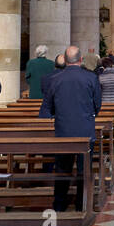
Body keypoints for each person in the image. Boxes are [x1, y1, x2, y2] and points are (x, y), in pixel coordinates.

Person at [42, 45, 102, 211]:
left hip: (63, 130)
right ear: (81, 60)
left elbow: (48, 106)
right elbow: (97, 105)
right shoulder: (91, 78)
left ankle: (59, 204)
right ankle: (82, 205)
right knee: (84, 169)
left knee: (62, 168)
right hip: (85, 130)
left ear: (65, 60)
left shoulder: (55, 79)